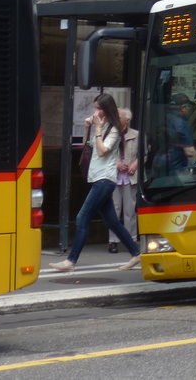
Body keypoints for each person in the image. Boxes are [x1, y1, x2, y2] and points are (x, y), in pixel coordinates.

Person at [49, 93, 141, 272]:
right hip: (98, 177)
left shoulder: (114, 128)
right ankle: (136, 253)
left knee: (82, 217)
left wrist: (97, 129)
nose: (95, 111)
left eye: (98, 108)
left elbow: (102, 151)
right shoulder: (104, 126)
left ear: (106, 110)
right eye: (95, 108)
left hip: (105, 180)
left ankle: (70, 261)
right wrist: (87, 128)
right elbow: (88, 146)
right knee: (112, 221)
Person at [108, 108, 139, 254]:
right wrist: (116, 163)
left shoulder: (137, 135)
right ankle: (113, 241)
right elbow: (104, 153)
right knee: (114, 209)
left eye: (120, 117)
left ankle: (130, 239)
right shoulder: (111, 133)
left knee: (129, 210)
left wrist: (134, 165)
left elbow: (144, 153)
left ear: (127, 120)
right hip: (114, 176)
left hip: (130, 177)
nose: (117, 118)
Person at [167, 93, 196, 171]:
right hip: (178, 169)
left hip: (163, 166)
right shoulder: (181, 123)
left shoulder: (166, 118)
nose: (190, 110)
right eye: (189, 107)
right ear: (183, 108)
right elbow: (190, 152)